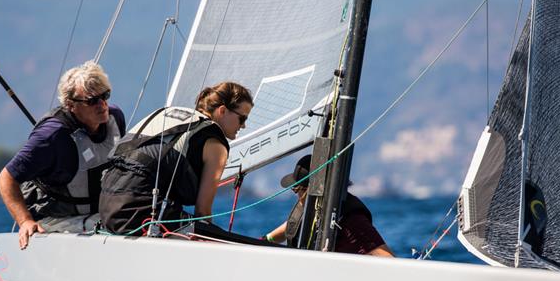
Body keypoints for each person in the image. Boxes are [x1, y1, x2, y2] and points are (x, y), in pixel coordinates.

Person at [0, 61, 126, 249]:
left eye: (105, 96)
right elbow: (5, 179)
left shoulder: (115, 117)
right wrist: (25, 222)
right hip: (57, 221)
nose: (102, 105)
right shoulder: (51, 136)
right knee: (117, 226)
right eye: (91, 100)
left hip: (98, 217)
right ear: (71, 105)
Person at [99, 81, 253, 235]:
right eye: (242, 119)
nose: (244, 126)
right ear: (222, 111)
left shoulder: (167, 113)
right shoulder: (216, 145)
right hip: (138, 211)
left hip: (106, 205)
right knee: (209, 233)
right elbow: (203, 212)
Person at [264, 154, 394, 257]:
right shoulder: (314, 207)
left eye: (296, 190)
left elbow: (387, 258)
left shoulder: (351, 220)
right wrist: (266, 239)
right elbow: (294, 224)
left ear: (313, 190)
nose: (296, 196)